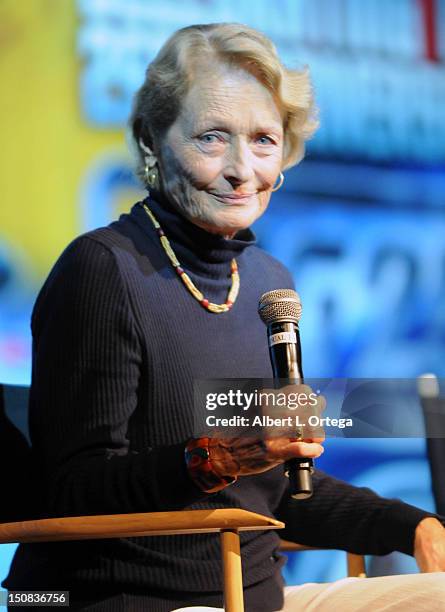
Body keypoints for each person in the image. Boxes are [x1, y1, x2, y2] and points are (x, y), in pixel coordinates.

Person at [3, 22, 445, 612]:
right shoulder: (104, 271)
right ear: (152, 141)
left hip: (258, 595)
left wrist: (411, 525)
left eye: (264, 139)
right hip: (122, 598)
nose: (243, 169)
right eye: (213, 138)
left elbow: (279, 493)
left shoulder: (267, 283)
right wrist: (218, 457)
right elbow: (73, 491)